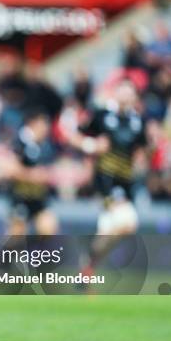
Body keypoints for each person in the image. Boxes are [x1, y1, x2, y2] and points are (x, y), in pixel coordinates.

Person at [66, 80, 147, 279]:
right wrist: (92, 146)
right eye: (123, 91)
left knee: (110, 227)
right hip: (105, 179)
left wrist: (143, 158)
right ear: (115, 92)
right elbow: (74, 136)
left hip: (126, 180)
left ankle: (87, 266)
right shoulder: (101, 115)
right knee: (127, 221)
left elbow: (140, 150)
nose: (125, 95)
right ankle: (89, 260)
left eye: (130, 92)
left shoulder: (137, 121)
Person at [5, 109, 59, 236]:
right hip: (21, 197)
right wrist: (33, 176)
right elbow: (10, 170)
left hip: (39, 199)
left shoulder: (46, 146)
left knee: (48, 228)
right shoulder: (19, 142)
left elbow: (50, 170)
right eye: (43, 124)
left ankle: (34, 253)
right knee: (16, 237)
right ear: (33, 123)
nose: (46, 129)